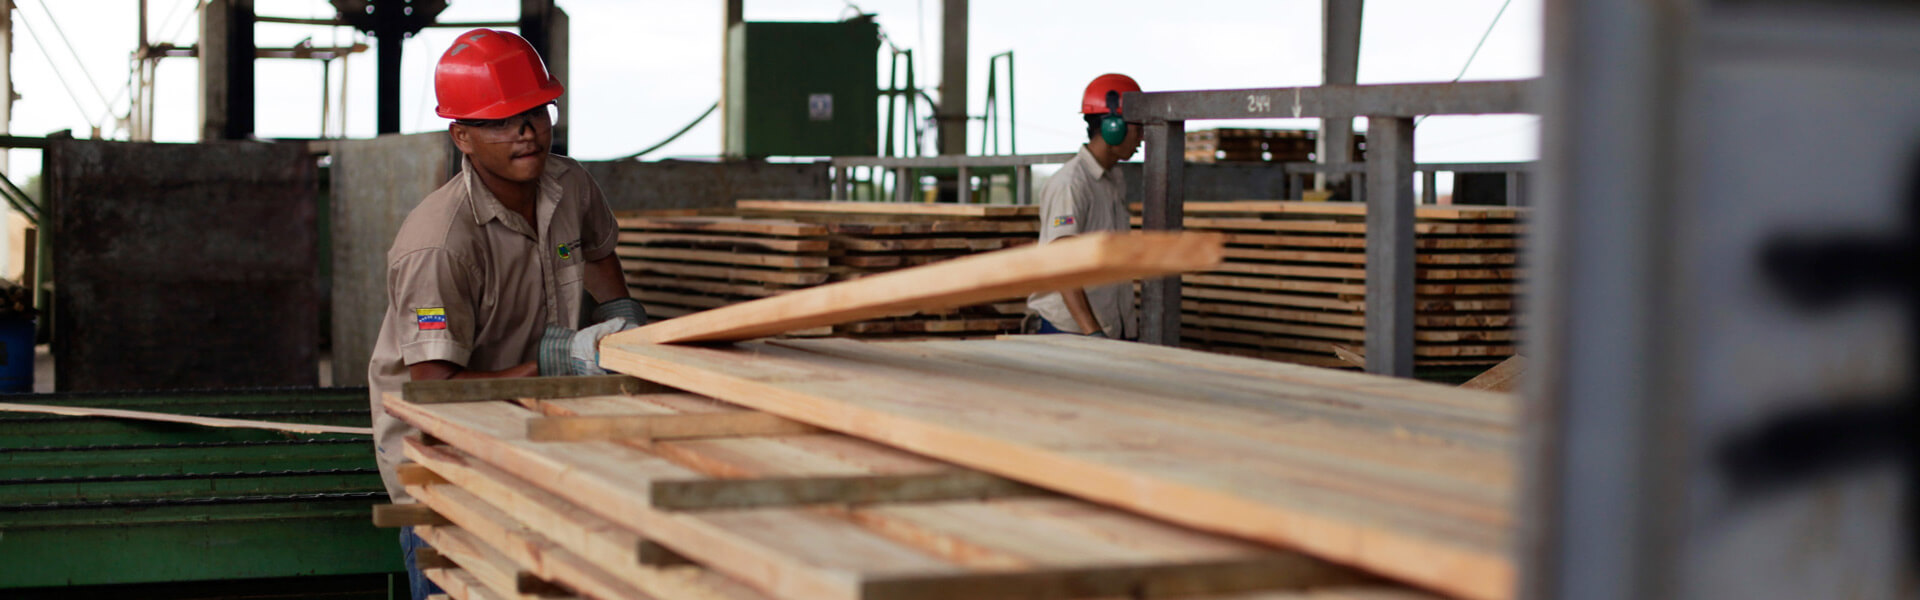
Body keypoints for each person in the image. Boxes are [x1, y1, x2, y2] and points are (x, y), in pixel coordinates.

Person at [363, 29, 644, 600]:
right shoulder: (439, 246)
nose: (526, 131)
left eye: (536, 111)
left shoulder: (570, 186)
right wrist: (556, 361)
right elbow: (434, 391)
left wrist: (624, 319)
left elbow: (597, 251)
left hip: (539, 433)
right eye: (500, 120)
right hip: (447, 462)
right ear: (462, 136)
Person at [1027, 73, 1144, 340]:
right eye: (1138, 129)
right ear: (1115, 126)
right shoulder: (1071, 184)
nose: (1142, 139)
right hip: (1068, 332)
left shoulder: (1113, 180)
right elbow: (1061, 264)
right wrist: (1092, 333)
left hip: (1106, 329)